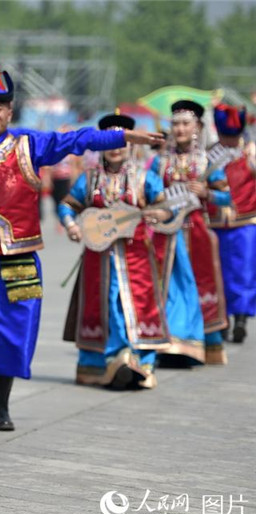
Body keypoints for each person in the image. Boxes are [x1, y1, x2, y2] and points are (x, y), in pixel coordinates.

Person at [0, 59, 164, 429]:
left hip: (21, 254)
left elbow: (78, 139)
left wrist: (124, 137)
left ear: (10, 110)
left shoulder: (30, 145)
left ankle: (3, 405)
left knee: (14, 327)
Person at [58, 112, 171, 389]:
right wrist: (71, 225)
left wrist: (158, 214)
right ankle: (105, 364)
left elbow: (166, 206)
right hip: (99, 259)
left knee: (136, 305)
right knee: (104, 305)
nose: (117, 147)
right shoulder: (90, 179)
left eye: (122, 141)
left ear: (131, 144)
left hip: (137, 258)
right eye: (111, 141)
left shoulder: (145, 178)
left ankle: (139, 363)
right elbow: (67, 205)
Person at [150, 100, 230, 366]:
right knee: (169, 288)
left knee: (196, 286)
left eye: (185, 123)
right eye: (175, 123)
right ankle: (171, 341)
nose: (180, 129)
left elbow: (227, 198)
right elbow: (147, 193)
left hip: (196, 234)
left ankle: (196, 342)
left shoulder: (206, 161)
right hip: (165, 233)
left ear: (197, 127)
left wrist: (207, 193)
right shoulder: (159, 162)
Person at [207, 104, 255, 343]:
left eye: (233, 137)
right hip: (214, 222)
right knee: (218, 272)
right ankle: (221, 319)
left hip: (246, 221)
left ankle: (241, 319)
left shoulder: (250, 152)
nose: (229, 141)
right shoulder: (208, 155)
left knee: (243, 272)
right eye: (226, 137)